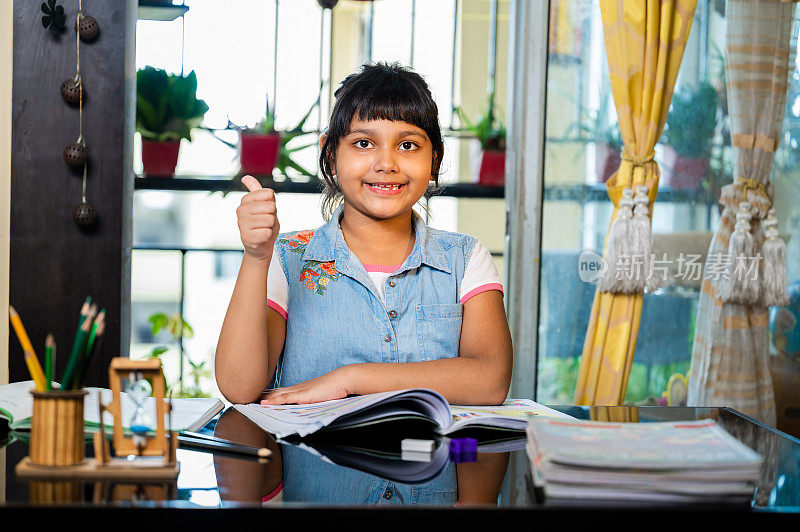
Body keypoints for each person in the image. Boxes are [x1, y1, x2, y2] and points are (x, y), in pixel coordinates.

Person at [215, 62, 512, 407]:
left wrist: (350, 379)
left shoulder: (466, 257)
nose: (386, 163)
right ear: (330, 153)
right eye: (363, 143)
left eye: (408, 146)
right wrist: (256, 258)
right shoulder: (286, 256)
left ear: (435, 158)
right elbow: (239, 387)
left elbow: (491, 381)